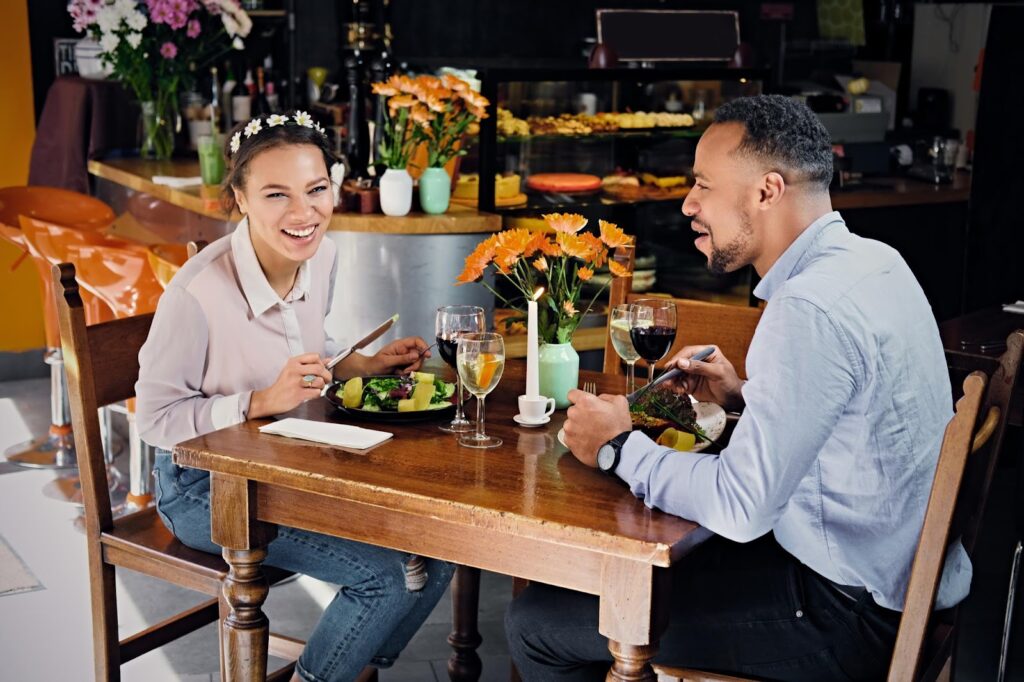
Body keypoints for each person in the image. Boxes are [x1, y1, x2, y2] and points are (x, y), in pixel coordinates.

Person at [506, 94, 970, 681]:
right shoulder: (876, 262)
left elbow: (742, 507)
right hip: (894, 584)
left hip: (845, 615)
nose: (688, 203)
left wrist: (616, 445)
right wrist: (742, 396)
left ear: (767, 191)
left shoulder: (806, 307)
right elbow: (853, 421)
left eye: (703, 185)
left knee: (538, 623)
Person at [135, 112, 454, 682]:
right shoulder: (197, 293)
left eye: (316, 189)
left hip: (285, 464)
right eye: (276, 194)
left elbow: (314, 349)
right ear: (240, 198)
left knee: (444, 549)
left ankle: (353, 663)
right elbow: (155, 420)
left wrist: (365, 363)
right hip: (201, 489)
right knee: (383, 577)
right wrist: (258, 401)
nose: (304, 214)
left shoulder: (322, 257)